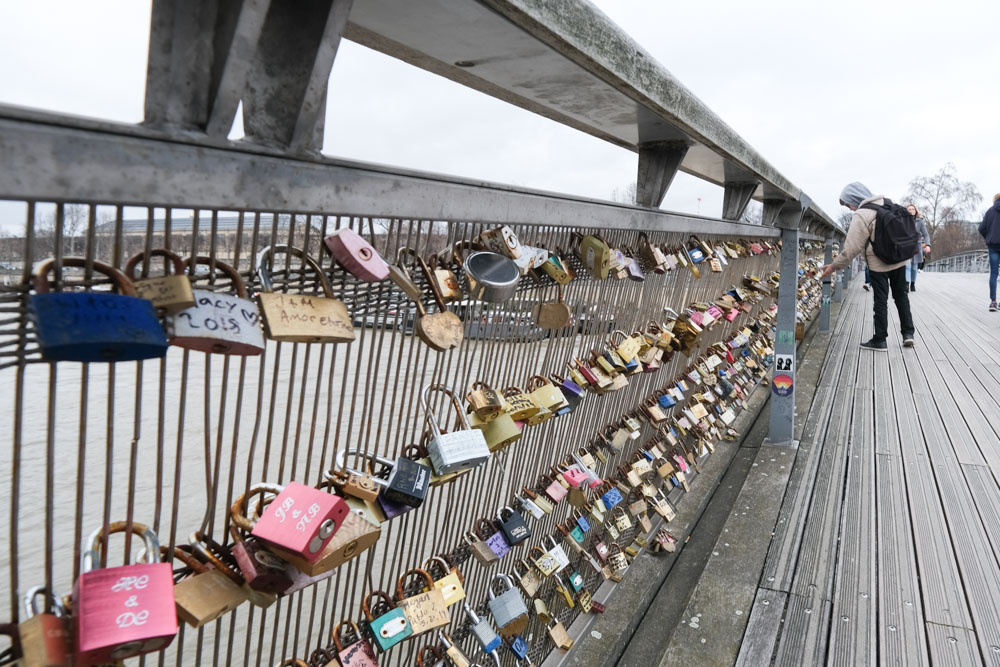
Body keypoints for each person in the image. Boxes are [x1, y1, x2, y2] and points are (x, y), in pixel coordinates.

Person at [821, 182, 914, 350]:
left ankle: (880, 339)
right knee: (901, 296)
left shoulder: (862, 214)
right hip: (900, 259)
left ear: (854, 199)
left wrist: (834, 266)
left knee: (880, 300)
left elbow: (851, 249)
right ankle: (908, 334)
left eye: (848, 204)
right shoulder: (887, 203)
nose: (850, 209)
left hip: (879, 263)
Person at [979, 193, 1000, 311]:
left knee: (993, 274)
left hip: (993, 246)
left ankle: (993, 302)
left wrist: (988, 237)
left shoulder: (990, 211)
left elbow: (981, 228)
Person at [905, 204, 931, 291]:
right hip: (906, 246)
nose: (911, 211)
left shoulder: (920, 222)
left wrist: (927, 245)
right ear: (906, 211)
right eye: (909, 209)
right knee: (907, 266)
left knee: (914, 267)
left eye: (913, 209)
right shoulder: (903, 220)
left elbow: (926, 234)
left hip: (917, 246)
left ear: (915, 211)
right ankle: (906, 284)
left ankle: (913, 283)